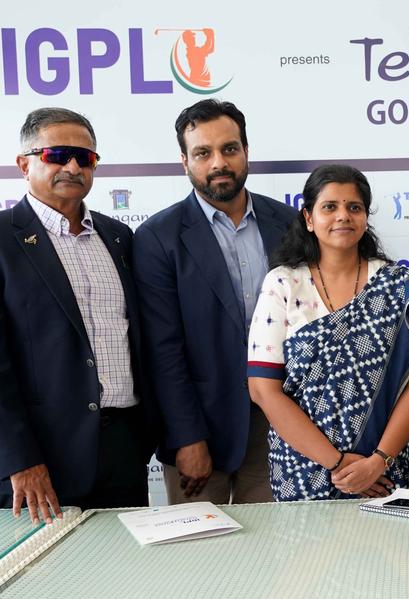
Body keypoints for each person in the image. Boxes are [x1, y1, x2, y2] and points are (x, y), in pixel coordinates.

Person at [0, 108, 156, 518]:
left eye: (86, 158)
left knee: (130, 579)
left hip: (124, 449)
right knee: (43, 580)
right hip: (38, 459)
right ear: (24, 164)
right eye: (57, 154)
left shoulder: (119, 237)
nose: (73, 166)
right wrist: (19, 461)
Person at [247, 165, 409, 500]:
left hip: (387, 472)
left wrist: (378, 461)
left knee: (396, 553)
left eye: (353, 207)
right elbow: (263, 390)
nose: (343, 216)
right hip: (303, 472)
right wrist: (339, 464)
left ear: (365, 218)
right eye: (330, 207)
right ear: (309, 218)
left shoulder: (396, 285)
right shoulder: (283, 283)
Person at [134, 100, 295, 504]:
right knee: (200, 558)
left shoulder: (290, 223)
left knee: (276, 552)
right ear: (184, 161)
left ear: (246, 151)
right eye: (203, 153)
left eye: (229, 149)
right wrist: (188, 438)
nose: (218, 163)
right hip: (200, 427)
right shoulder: (158, 238)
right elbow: (162, 350)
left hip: (279, 423)